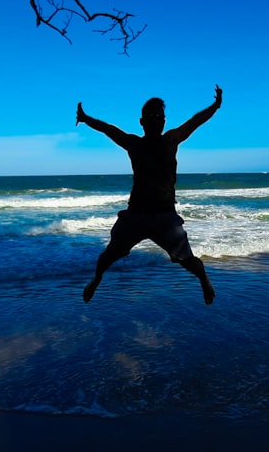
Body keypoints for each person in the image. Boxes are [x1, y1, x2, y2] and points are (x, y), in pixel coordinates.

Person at [76, 86, 223, 305]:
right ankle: (96, 280)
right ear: (142, 122)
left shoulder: (168, 140)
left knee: (188, 260)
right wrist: (86, 118)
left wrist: (215, 105)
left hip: (164, 217)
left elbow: (196, 120)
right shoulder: (137, 143)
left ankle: (205, 280)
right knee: (108, 256)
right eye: (151, 116)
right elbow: (109, 129)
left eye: (159, 116)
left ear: (163, 121)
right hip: (136, 215)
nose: (156, 119)